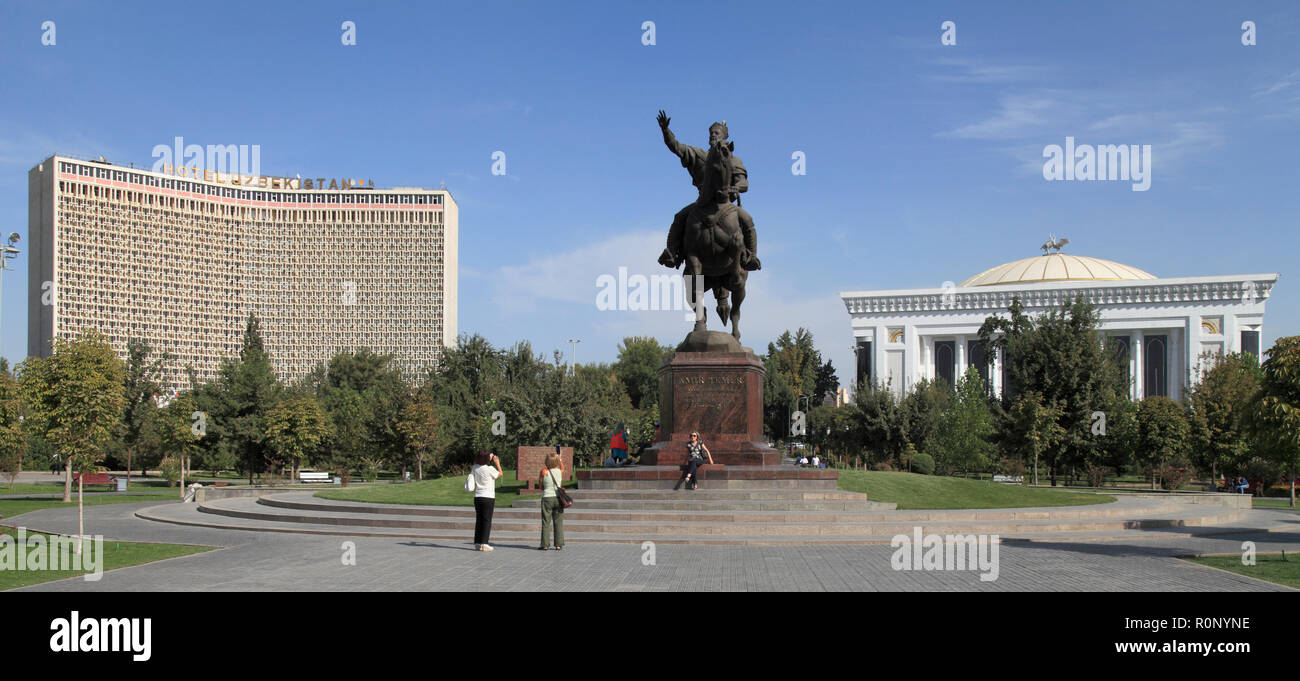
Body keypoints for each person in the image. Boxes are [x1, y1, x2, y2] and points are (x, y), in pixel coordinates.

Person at [655, 111, 759, 272]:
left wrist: (736, 187)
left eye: (716, 133)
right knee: (680, 217)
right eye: (710, 133)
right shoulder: (699, 155)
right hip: (702, 202)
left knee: (747, 219)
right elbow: (676, 147)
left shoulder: (733, 160)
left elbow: (744, 182)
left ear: (724, 137)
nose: (712, 135)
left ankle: (751, 257)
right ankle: (671, 253)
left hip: (725, 203)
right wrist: (665, 130)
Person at [470, 450, 501, 551]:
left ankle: (477, 542)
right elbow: (500, 474)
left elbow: (482, 462)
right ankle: (484, 543)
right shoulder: (490, 469)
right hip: (488, 497)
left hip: (477, 497)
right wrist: (497, 463)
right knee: (487, 520)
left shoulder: (475, 467)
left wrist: (488, 457)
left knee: (479, 520)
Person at [538, 449, 566, 550]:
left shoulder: (543, 471)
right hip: (558, 498)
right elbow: (562, 467)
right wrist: (560, 457)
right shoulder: (559, 471)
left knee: (546, 522)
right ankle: (558, 544)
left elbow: (541, 486)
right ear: (557, 462)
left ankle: (545, 545)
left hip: (547, 498)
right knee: (558, 522)